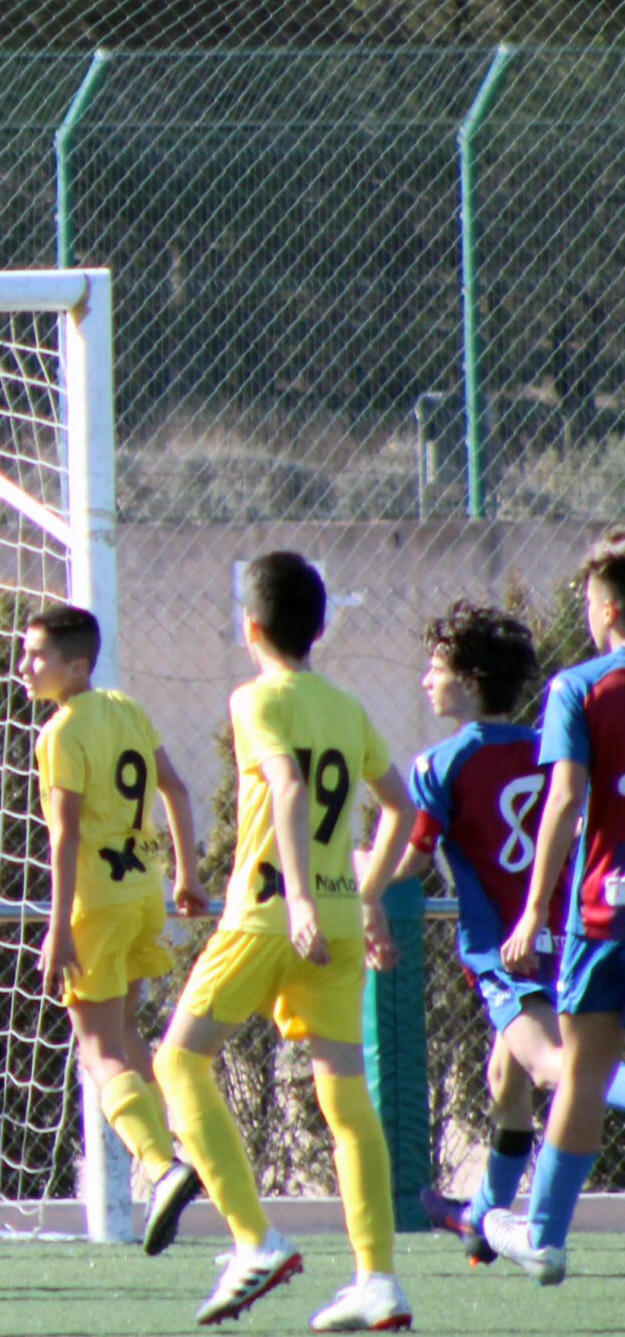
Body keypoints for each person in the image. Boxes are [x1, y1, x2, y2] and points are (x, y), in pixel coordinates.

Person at [151, 553, 413, 1332]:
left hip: (269, 915)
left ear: (251, 627)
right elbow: (399, 808)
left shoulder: (254, 697)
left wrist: (297, 895)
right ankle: (377, 1279)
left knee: (178, 1062)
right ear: (320, 627)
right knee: (346, 1100)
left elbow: (290, 786)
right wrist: (365, 896)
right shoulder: (345, 706)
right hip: (336, 921)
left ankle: (255, 1240)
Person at [389, 602, 625, 1259]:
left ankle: (492, 1216)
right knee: (505, 1079)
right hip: (564, 934)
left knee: (557, 1067)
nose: (426, 681)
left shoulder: (440, 763)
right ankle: (484, 1216)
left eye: (435, 669)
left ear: (469, 681)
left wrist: (363, 873)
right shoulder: (545, 745)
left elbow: (412, 859)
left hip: (503, 950)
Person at [20, 603, 210, 1256]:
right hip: (142, 894)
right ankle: (175, 1150)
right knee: (127, 1032)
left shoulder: (61, 732)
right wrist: (186, 875)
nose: (24, 666)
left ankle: (161, 1167)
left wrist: (59, 927)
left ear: (77, 666)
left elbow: (65, 834)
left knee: (96, 1050)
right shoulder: (127, 708)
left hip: (96, 906)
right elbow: (176, 789)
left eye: (38, 656)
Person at [485, 536, 625, 1285]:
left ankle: (543, 1235)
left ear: (606, 607)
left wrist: (533, 911)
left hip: (606, 913)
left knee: (585, 1071)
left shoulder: (579, 687)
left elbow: (566, 802)